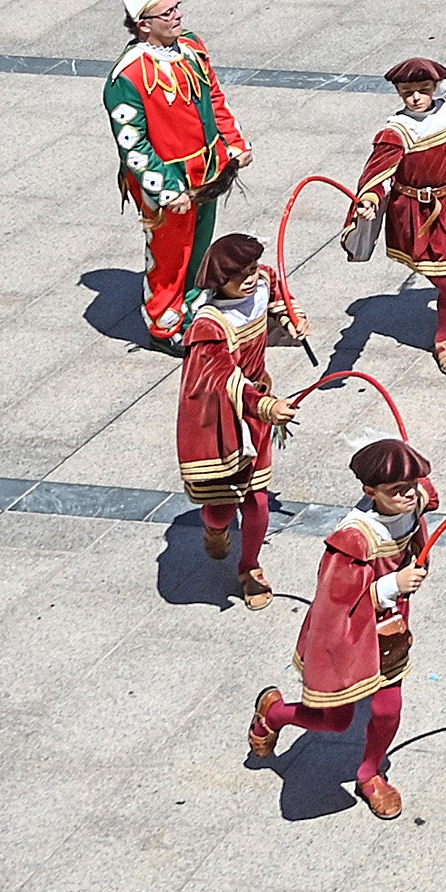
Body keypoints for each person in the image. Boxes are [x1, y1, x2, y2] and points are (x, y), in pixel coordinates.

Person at [246, 436, 438, 821]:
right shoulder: (354, 538)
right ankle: (275, 714)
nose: (408, 494)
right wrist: (392, 585)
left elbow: (428, 495)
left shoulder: (412, 499)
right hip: (349, 632)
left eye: (411, 486)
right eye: (396, 490)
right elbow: (337, 601)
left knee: (388, 708)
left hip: (390, 628)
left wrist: (413, 477)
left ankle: (370, 773)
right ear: (370, 492)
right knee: (336, 720)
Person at [101, 0, 250, 347]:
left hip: (208, 171)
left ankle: (195, 303)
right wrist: (168, 190)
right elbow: (134, 147)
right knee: (170, 255)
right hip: (169, 181)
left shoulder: (192, 47)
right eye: (167, 13)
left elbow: (214, 98)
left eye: (176, 7)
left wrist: (234, 142)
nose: (178, 16)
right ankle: (164, 324)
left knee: (200, 246)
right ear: (143, 25)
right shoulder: (127, 77)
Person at [343, 56, 446, 375]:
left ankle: (442, 339)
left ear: (434, 87)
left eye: (423, 89)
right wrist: (369, 199)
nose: (416, 97)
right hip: (411, 214)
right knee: (434, 273)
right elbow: (377, 175)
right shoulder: (396, 133)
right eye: (408, 93)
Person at [173, 231, 293, 610]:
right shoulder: (209, 326)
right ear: (220, 279)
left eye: (252, 269)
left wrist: (290, 317)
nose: (251, 278)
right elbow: (223, 379)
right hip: (224, 416)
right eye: (240, 275)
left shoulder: (263, 281)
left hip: (258, 409)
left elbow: (277, 296)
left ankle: (250, 566)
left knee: (257, 500)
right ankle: (215, 527)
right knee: (222, 506)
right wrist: (266, 407)